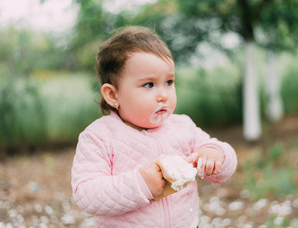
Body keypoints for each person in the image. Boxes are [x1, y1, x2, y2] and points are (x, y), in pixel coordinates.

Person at [71, 26, 237, 228]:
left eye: (169, 82)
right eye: (149, 85)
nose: (164, 95)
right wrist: (141, 184)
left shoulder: (182, 126)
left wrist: (214, 154)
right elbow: (87, 193)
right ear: (113, 95)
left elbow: (226, 166)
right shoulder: (99, 137)